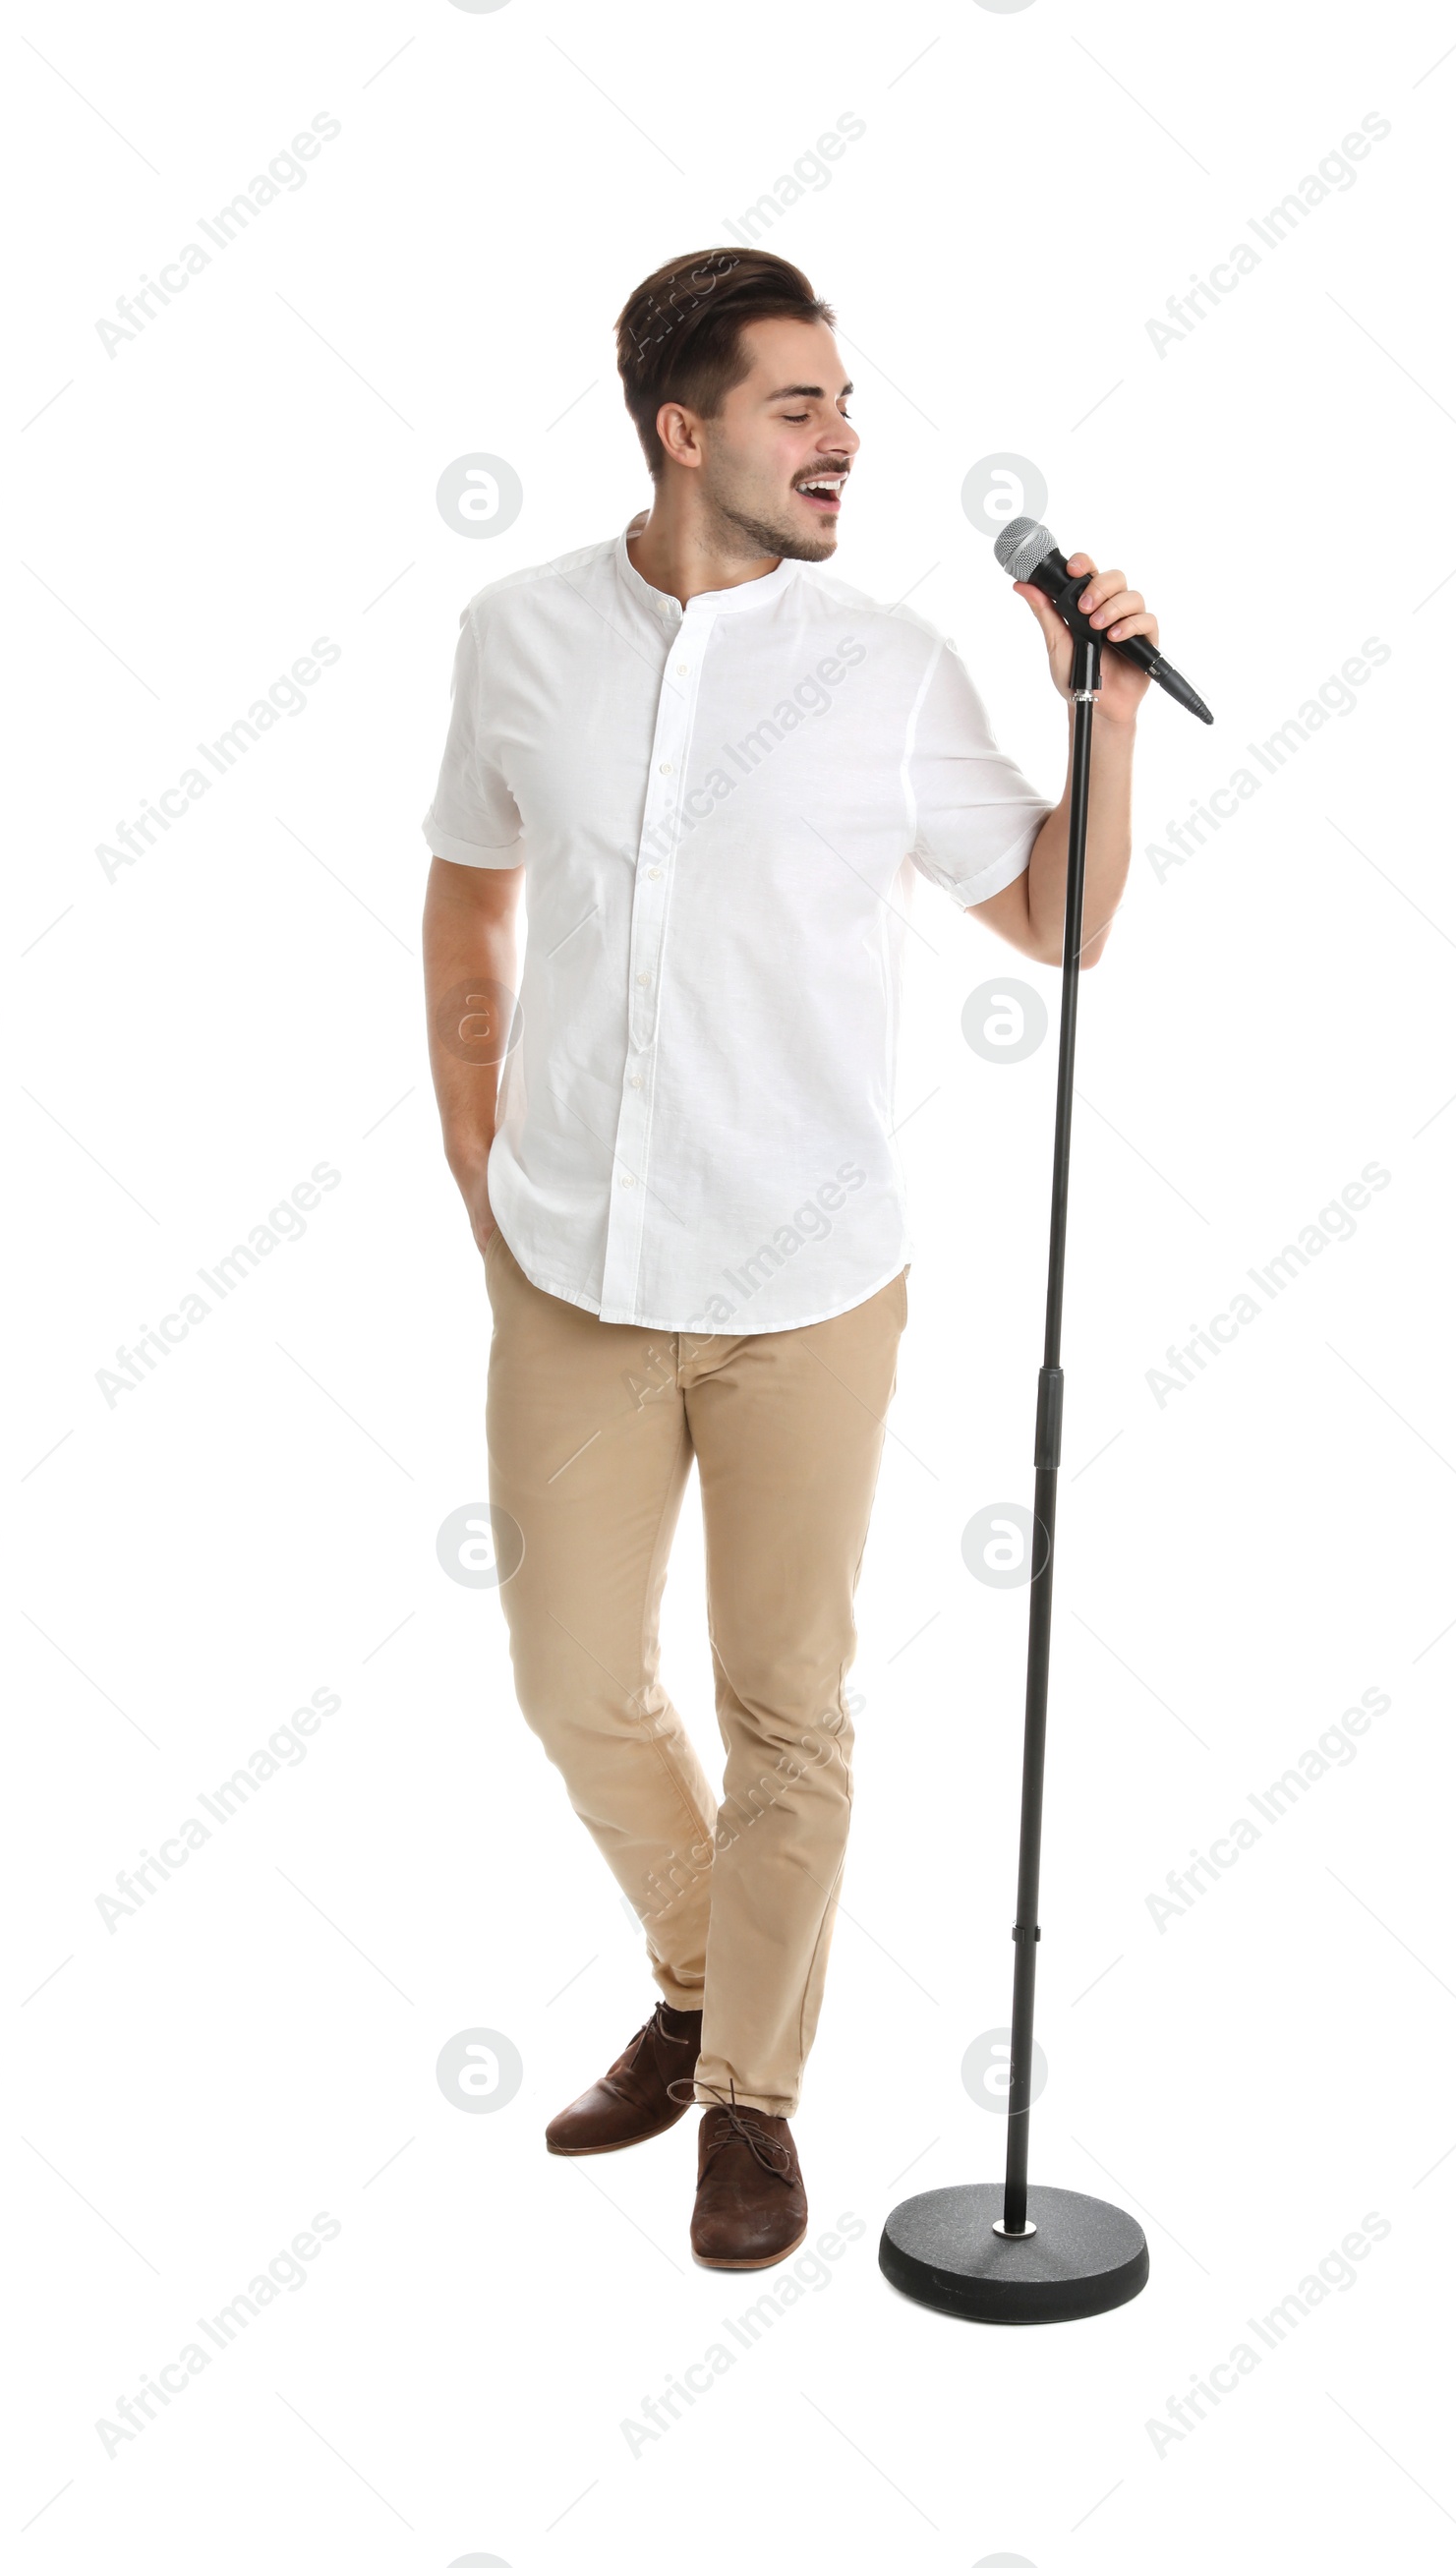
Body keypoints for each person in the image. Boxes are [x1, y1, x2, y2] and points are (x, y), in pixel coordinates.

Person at [420, 247, 1158, 2271]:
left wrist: (1090, 707)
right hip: (566, 1264)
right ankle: (695, 1965)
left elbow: (1057, 920)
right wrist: (477, 1160)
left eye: (843, 403)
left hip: (805, 1283)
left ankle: (746, 2094)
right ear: (684, 428)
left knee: (786, 1708)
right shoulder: (515, 635)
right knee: (570, 1680)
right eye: (797, 405)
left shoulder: (888, 669)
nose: (845, 438)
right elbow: (465, 898)